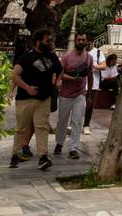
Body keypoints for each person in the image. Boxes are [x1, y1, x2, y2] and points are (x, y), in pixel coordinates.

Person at [10, 28, 61, 170]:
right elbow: (15, 75)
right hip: (25, 99)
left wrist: (58, 81)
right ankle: (15, 155)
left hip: (44, 99)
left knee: (42, 127)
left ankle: (43, 157)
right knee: (21, 128)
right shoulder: (26, 57)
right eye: (47, 40)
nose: (49, 42)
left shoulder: (52, 56)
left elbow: (60, 70)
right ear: (39, 42)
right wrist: (27, 88)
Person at [54, 34, 94, 159]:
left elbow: (90, 76)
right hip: (65, 94)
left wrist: (89, 95)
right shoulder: (66, 57)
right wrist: (72, 78)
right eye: (79, 40)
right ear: (75, 41)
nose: (81, 42)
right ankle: (59, 143)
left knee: (77, 121)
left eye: (83, 40)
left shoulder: (89, 58)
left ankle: (73, 148)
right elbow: (60, 75)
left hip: (80, 94)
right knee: (62, 120)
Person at [84, 40, 108, 131]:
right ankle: (74, 123)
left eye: (87, 43)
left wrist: (93, 65)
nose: (86, 45)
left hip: (93, 84)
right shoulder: (80, 51)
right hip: (80, 84)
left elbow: (104, 66)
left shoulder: (98, 52)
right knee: (77, 105)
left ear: (92, 42)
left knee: (89, 105)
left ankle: (86, 125)